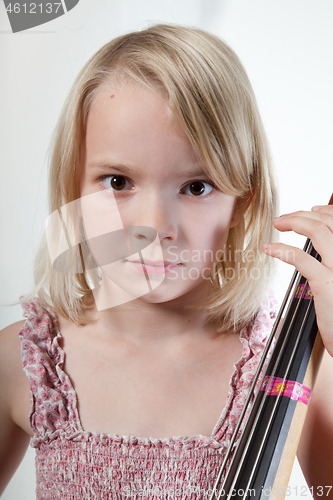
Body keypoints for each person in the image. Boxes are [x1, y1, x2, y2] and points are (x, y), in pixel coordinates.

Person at [0, 24, 332, 499]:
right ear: (73, 185)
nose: (155, 225)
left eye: (196, 187)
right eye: (117, 181)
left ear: (242, 201)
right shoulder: (23, 363)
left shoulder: (297, 370)